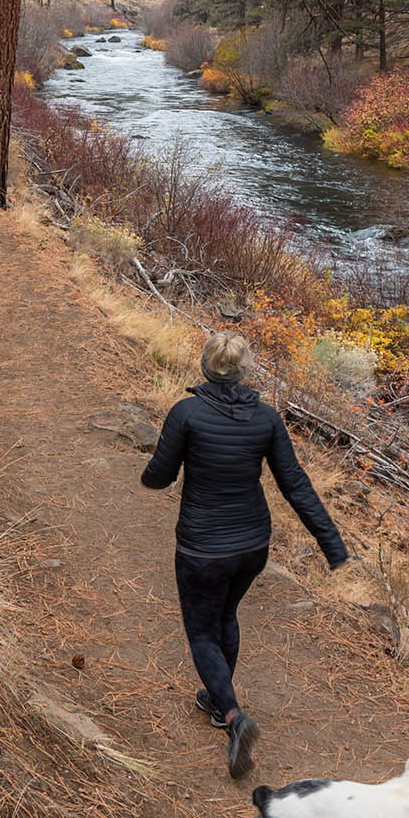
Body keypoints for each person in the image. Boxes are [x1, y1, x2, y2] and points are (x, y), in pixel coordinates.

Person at [141, 330, 348, 779]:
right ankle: (218, 702)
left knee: (200, 630)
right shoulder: (267, 418)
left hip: (202, 546)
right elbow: (295, 484)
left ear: (204, 367)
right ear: (244, 370)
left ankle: (234, 717)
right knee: (226, 615)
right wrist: (331, 544)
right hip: (252, 545)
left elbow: (158, 476)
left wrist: (153, 473)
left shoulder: (187, 414)